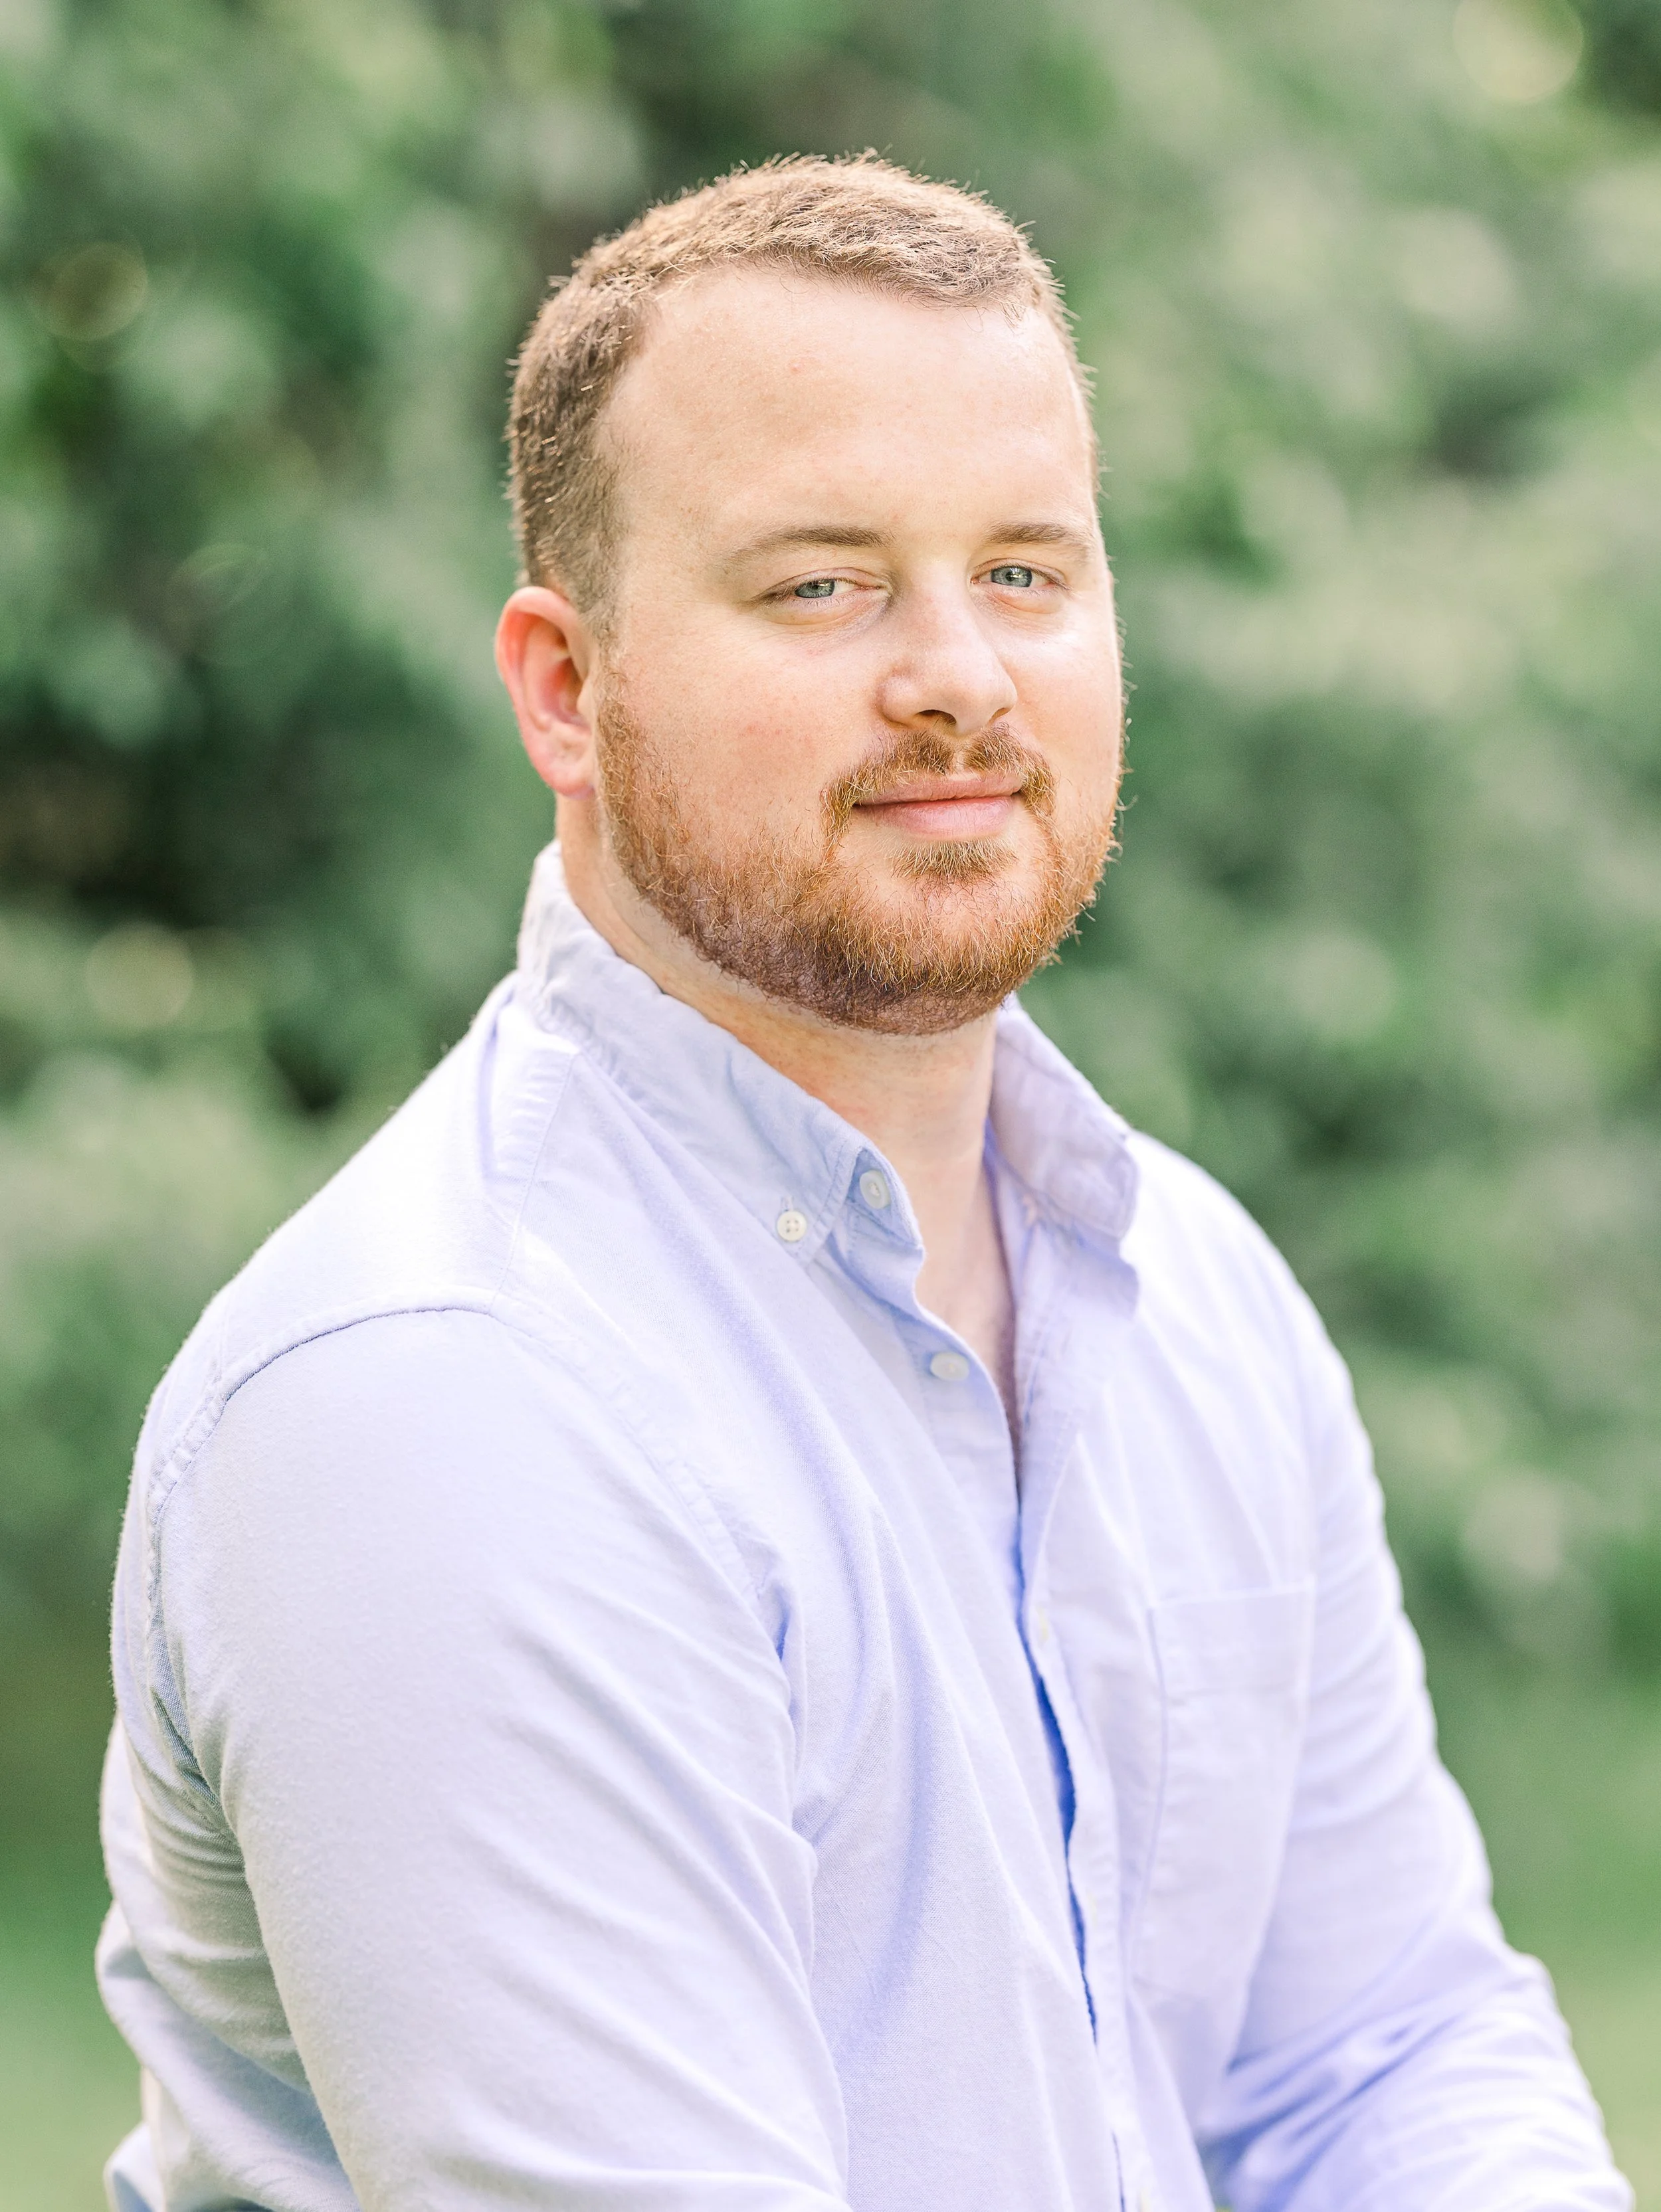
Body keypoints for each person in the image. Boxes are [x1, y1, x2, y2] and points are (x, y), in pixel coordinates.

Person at [97, 155, 1628, 2212]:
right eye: (822, 583)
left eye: (1024, 572)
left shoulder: (1189, 1285)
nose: (959, 677)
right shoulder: (444, 1397)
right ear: (566, 687)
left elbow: (1379, 2061)